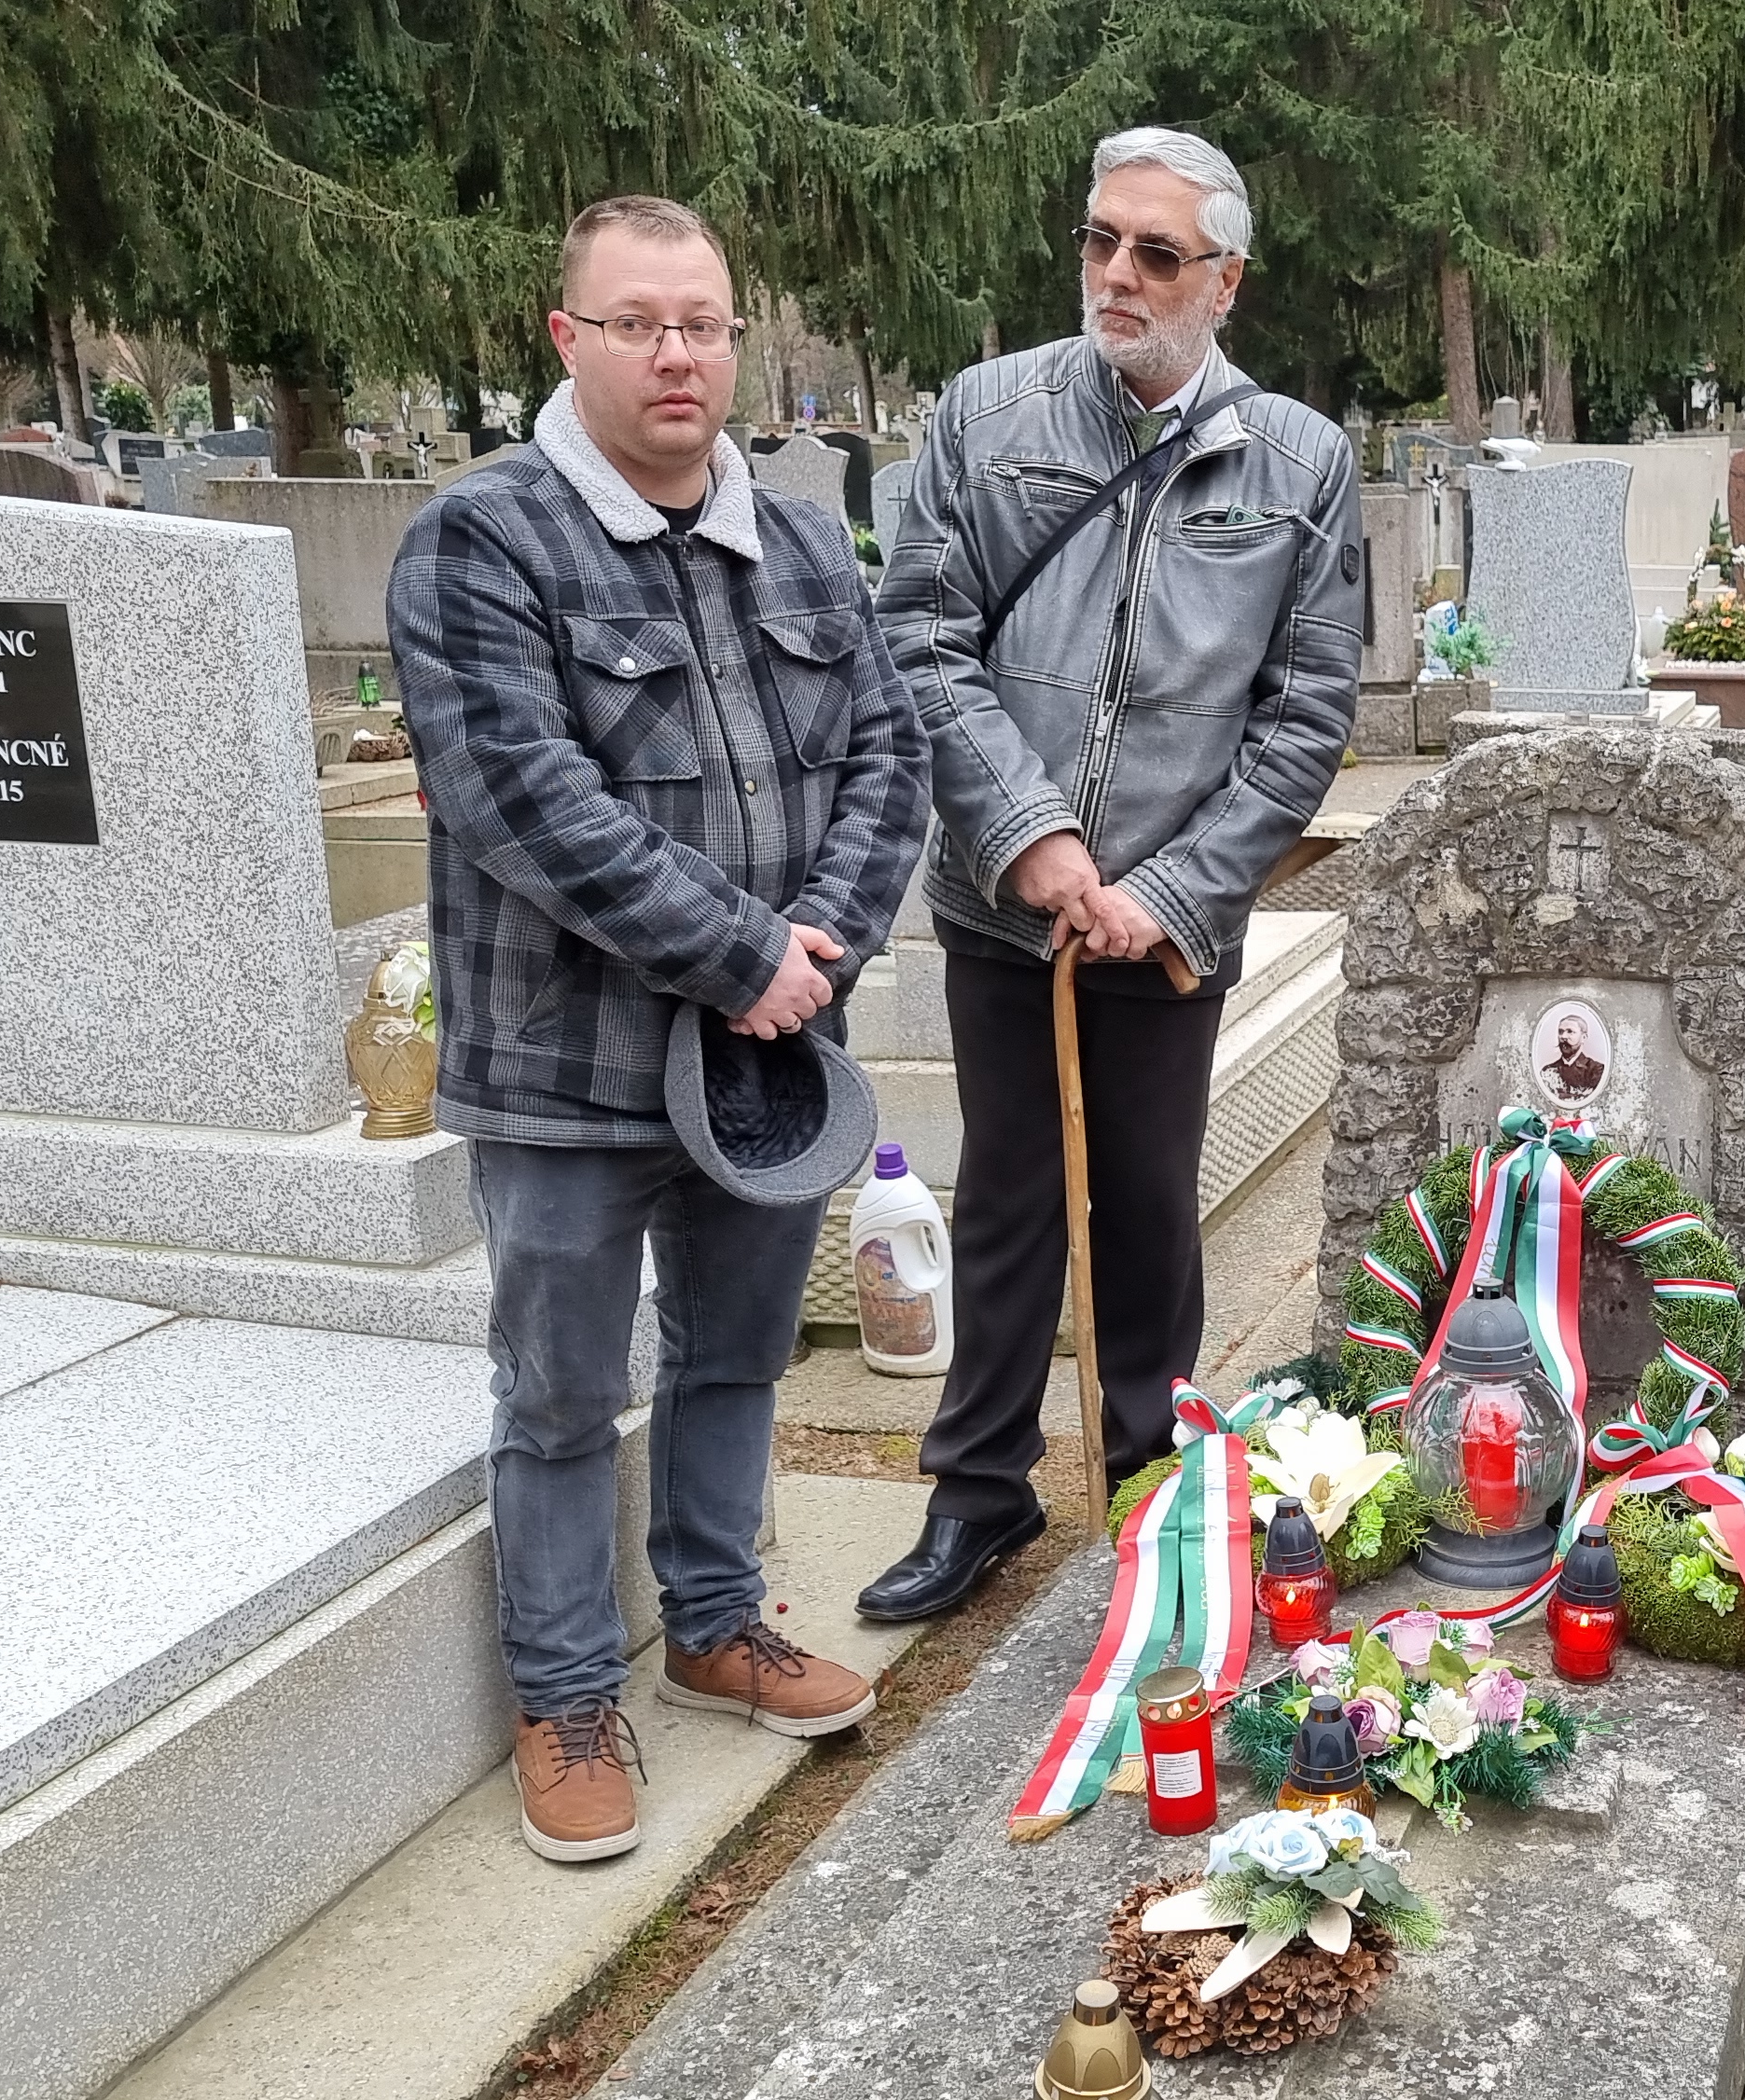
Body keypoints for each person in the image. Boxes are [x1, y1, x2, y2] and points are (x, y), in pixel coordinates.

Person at [393, 195, 932, 1860]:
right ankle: (565, 1698)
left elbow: (889, 754)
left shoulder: (805, 542)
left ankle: (714, 1625)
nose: (676, 354)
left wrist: (816, 949)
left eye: (701, 323)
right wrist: (742, 953)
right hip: (565, 1068)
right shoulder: (483, 541)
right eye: (637, 323)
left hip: (762, 1062)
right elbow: (521, 797)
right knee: (561, 1393)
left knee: (739, 1354)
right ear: (570, 338)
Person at [854, 126, 1363, 1621]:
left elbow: (1306, 711)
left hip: (1165, 915)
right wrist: (1035, 838)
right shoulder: (990, 411)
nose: (1117, 274)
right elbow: (922, 636)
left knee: (1145, 1198)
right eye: (1100, 241)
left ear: (1226, 281)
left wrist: (1173, 889)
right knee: (1009, 1193)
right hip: (1004, 895)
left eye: (1156, 251)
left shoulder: (1299, 460)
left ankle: (1151, 1483)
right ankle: (980, 1490)